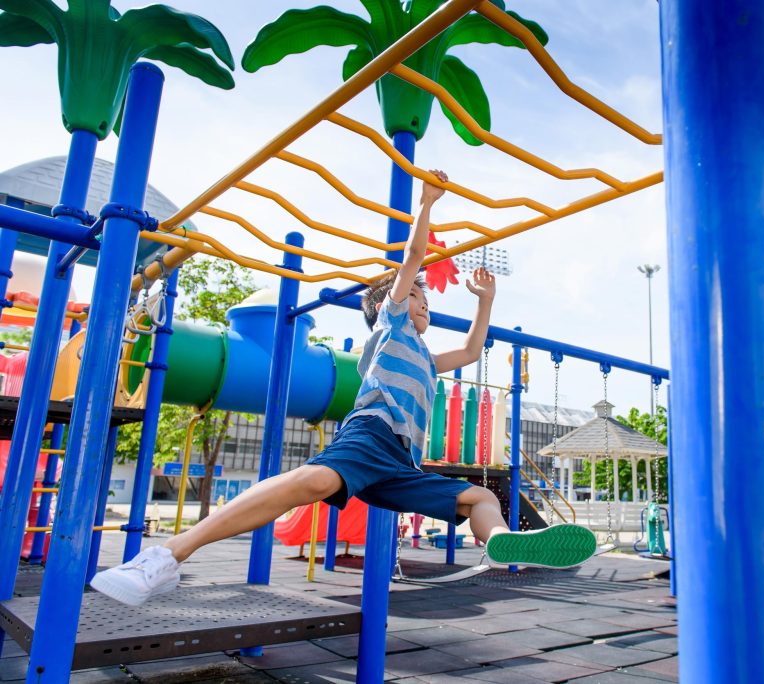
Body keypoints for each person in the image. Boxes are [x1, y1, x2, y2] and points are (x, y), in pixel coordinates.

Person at [91, 170, 596, 606]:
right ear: (391, 305)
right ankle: (165, 555)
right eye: (417, 297)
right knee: (312, 484)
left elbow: (468, 352)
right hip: (372, 434)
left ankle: (504, 543)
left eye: (422, 301)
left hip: (402, 460)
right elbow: (414, 256)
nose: (423, 305)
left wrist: (486, 301)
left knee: (478, 497)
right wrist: (425, 205)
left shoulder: (424, 356)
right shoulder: (392, 326)